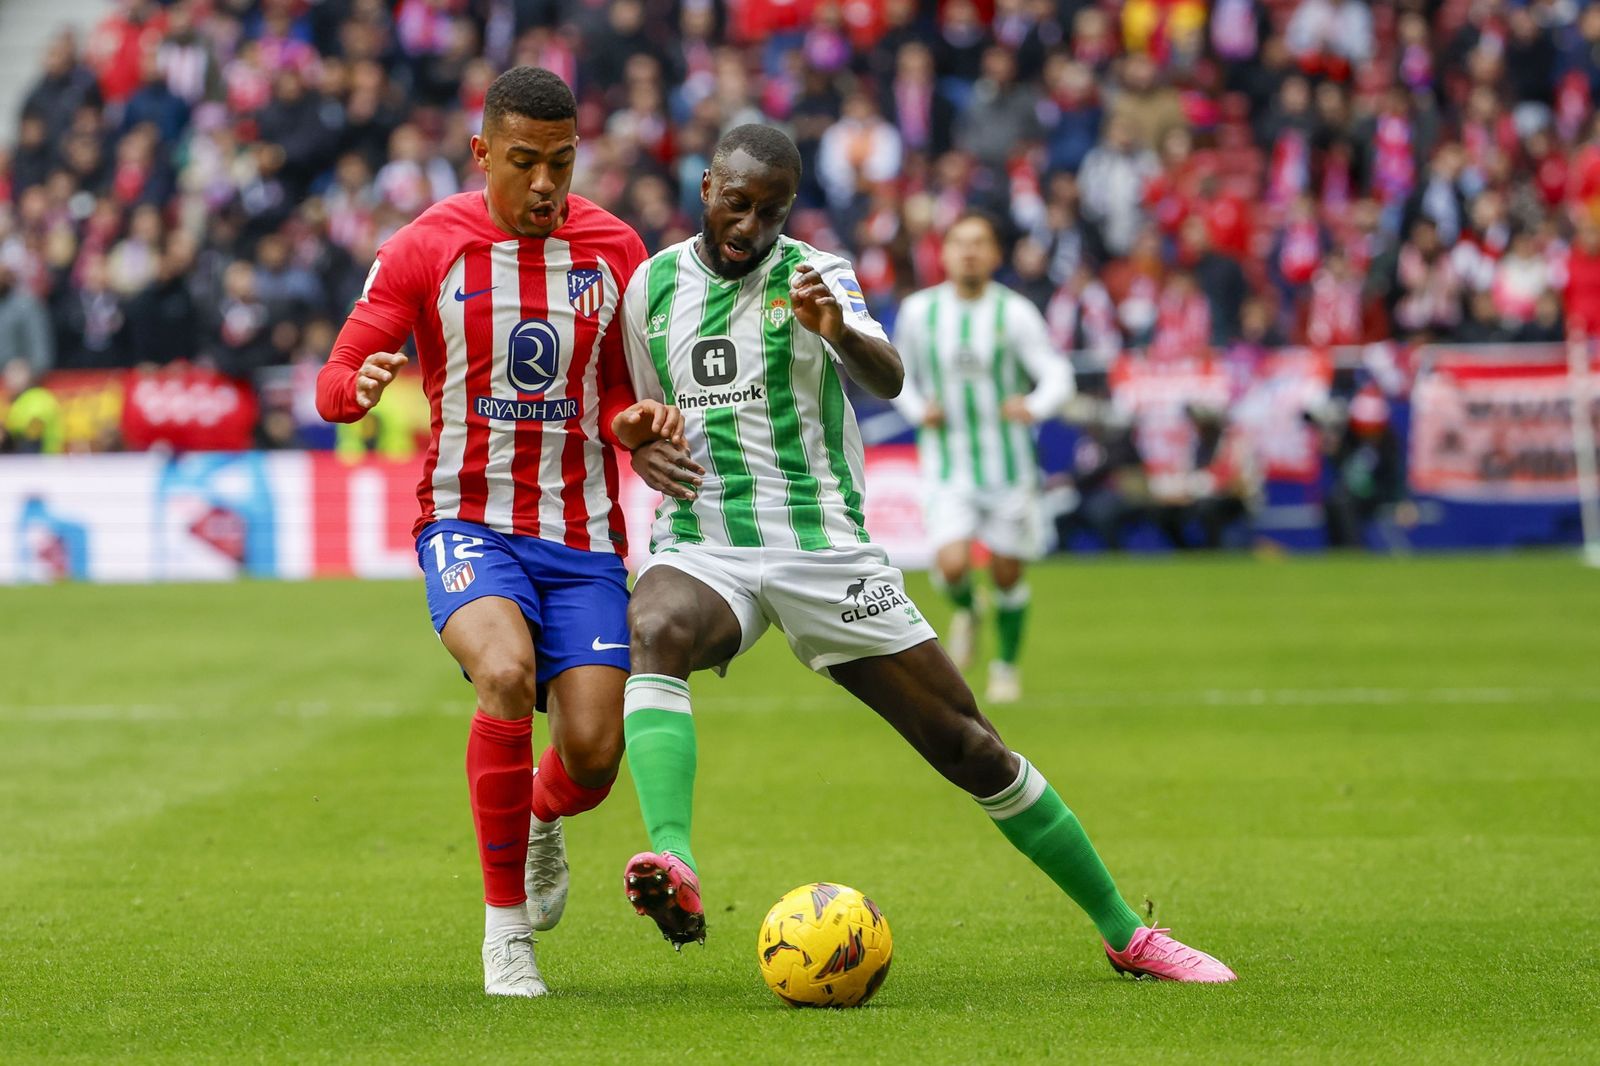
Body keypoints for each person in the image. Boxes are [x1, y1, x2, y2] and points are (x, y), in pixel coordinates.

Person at [615, 125, 1236, 983]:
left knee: (970, 746)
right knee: (653, 626)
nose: (749, 224)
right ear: (707, 186)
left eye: (772, 210)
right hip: (706, 540)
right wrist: (639, 440)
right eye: (737, 201)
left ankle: (1126, 932)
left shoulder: (818, 275)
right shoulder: (648, 288)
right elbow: (645, 414)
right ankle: (672, 863)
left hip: (823, 548)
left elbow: (888, 378)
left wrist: (837, 331)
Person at [313, 67, 680, 999]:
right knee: (507, 676)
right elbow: (337, 374)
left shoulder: (616, 249)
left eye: (562, 163)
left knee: (595, 754)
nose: (546, 185)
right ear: (484, 153)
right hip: (466, 520)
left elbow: (625, 396)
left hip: (585, 537)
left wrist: (635, 424)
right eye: (525, 163)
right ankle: (504, 933)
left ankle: (543, 820)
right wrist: (352, 392)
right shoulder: (423, 247)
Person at [890, 211, 1073, 703]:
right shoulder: (919, 313)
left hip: (1007, 466)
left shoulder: (1013, 313)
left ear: (994, 255)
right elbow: (895, 374)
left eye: (979, 243)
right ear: (944, 253)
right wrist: (915, 408)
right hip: (948, 464)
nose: (968, 251)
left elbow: (1057, 375)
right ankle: (968, 609)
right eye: (958, 242)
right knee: (951, 566)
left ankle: (1005, 667)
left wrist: (1032, 406)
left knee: (1009, 572)